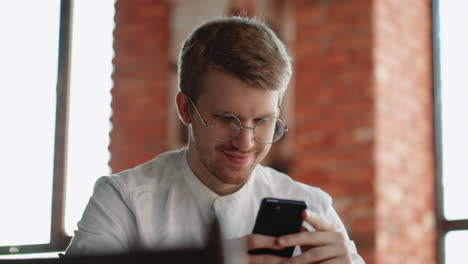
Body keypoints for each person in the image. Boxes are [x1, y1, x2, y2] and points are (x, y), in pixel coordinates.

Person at [65, 16, 365, 264]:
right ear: (185, 109)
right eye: (226, 119)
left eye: (263, 121)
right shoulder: (122, 201)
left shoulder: (313, 207)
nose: (245, 143)